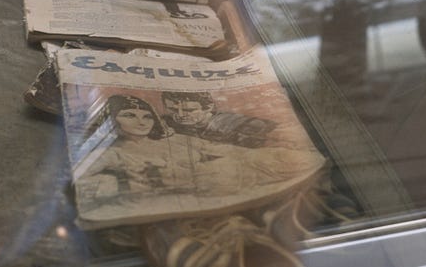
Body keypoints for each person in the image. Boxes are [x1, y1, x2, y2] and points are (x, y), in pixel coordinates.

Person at [73, 95, 324, 220]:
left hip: (240, 174)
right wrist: (123, 183)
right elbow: (80, 184)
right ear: (112, 120)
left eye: (146, 116)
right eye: (130, 115)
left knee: (297, 162)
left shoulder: (175, 139)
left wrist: (276, 152)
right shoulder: (111, 153)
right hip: (195, 195)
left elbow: (235, 154)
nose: (141, 122)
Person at [161, 91, 276, 148]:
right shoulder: (167, 121)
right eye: (172, 109)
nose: (180, 115)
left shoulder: (230, 122)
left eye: (190, 110)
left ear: (208, 107)